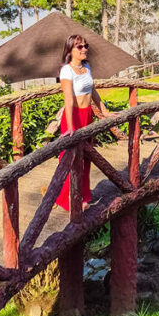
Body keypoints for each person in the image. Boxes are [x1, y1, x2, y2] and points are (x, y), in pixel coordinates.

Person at [55, 34, 112, 211]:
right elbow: (68, 100)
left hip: (87, 115)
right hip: (73, 117)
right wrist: (71, 126)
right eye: (79, 47)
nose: (84, 49)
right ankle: (67, 198)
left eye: (85, 46)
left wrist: (104, 111)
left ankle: (83, 195)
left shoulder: (86, 67)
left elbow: (93, 91)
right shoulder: (67, 70)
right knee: (71, 159)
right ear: (70, 50)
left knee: (86, 156)